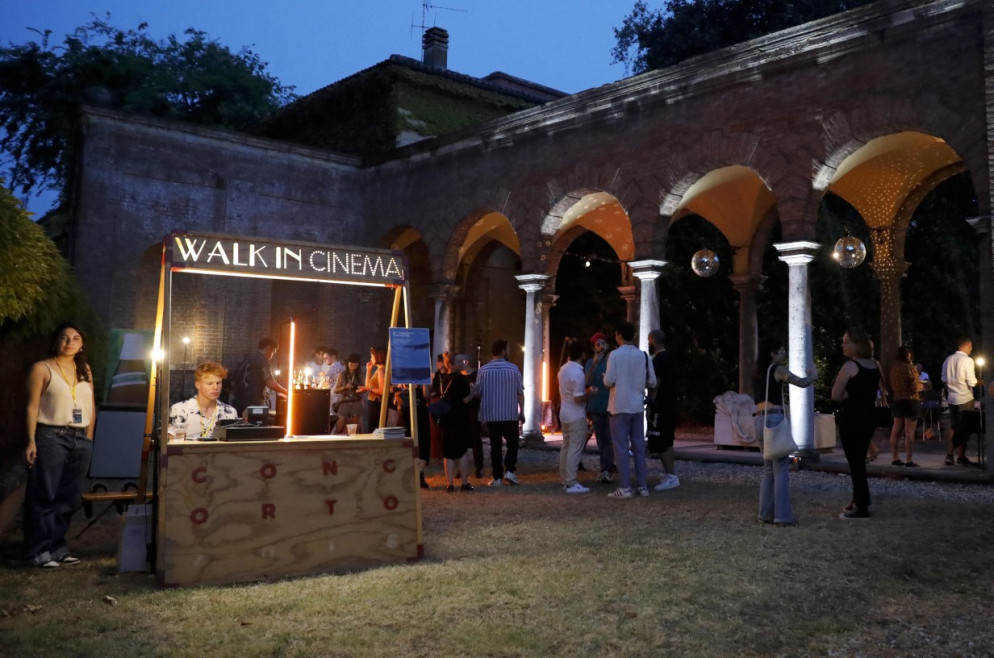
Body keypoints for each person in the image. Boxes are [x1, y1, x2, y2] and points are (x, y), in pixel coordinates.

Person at [24, 322, 97, 568]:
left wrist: (89, 436)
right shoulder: (42, 368)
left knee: (69, 497)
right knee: (44, 493)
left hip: (81, 438)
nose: (69, 342)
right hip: (51, 436)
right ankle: (39, 550)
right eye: (64, 338)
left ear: (81, 345)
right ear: (56, 341)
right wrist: (31, 440)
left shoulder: (85, 369)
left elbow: (90, 405)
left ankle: (57, 548)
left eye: (75, 338)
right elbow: (32, 406)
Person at [754, 337, 816, 527]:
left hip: (758, 420)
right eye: (780, 350)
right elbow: (801, 382)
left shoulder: (758, 372)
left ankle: (765, 514)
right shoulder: (777, 370)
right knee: (780, 469)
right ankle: (782, 516)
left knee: (768, 470)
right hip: (774, 419)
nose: (783, 354)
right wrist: (813, 375)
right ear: (772, 353)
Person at [602, 321, 656, 499]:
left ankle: (625, 487)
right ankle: (642, 485)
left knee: (621, 447)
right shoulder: (643, 356)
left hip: (619, 406)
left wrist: (605, 378)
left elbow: (609, 380)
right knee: (639, 446)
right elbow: (652, 382)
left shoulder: (615, 355)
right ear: (634, 336)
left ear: (618, 335)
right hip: (637, 406)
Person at [831, 328, 880, 520]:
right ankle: (858, 500)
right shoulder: (875, 365)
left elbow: (835, 395)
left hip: (852, 417)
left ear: (857, 345)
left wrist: (847, 395)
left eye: (846, 342)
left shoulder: (850, 367)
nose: (843, 346)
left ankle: (862, 506)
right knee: (859, 460)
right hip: (869, 417)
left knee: (855, 462)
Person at [474, 339, 524, 487]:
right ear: (503, 351)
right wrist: (522, 410)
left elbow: (478, 392)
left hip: (491, 414)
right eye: (508, 349)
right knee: (512, 444)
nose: (509, 352)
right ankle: (510, 470)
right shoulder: (513, 369)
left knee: (495, 446)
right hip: (509, 413)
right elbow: (520, 392)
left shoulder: (483, 370)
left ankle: (497, 477)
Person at [558, 339, 596, 494]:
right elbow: (578, 398)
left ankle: (565, 479)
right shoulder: (578, 373)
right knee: (575, 448)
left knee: (566, 447)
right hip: (576, 414)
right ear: (582, 354)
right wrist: (590, 394)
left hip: (564, 412)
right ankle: (571, 482)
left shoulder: (563, 369)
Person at [168, 362, 238, 440]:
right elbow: (170, 443)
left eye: (218, 383)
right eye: (210, 383)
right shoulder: (179, 410)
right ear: (198, 385)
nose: (215, 387)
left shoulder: (230, 412)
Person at [647, 329, 680, 492]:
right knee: (668, 441)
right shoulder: (671, 357)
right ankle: (670, 474)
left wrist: (650, 404)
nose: (648, 344)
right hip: (672, 404)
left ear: (653, 341)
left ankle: (671, 476)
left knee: (661, 443)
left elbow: (655, 384)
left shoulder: (659, 360)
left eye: (649, 341)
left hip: (661, 407)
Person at [941, 337, 982, 466]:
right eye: (971, 346)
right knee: (964, 428)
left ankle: (949, 455)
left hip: (952, 398)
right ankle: (961, 456)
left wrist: (951, 390)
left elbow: (944, 379)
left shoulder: (948, 359)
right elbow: (971, 381)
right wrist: (980, 382)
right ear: (967, 345)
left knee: (953, 426)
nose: (971, 349)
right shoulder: (968, 360)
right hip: (965, 398)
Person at [435, 360, 475, 492]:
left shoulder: (443, 379)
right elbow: (465, 400)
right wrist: (473, 392)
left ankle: (450, 484)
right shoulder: (461, 379)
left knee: (448, 453)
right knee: (462, 451)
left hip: (446, 419)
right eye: (459, 362)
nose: (462, 364)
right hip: (460, 419)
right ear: (453, 364)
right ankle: (464, 483)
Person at [585, 331, 615, 484]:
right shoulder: (591, 362)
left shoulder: (612, 361)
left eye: (603, 343)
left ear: (607, 345)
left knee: (609, 439)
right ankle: (605, 469)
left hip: (611, 405)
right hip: (596, 406)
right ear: (594, 348)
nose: (601, 347)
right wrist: (594, 365)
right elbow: (587, 381)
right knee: (601, 440)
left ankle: (607, 469)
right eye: (598, 345)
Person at [232, 338, 287, 415]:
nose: (272, 356)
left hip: (237, 402)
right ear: (268, 348)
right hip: (253, 403)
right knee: (255, 422)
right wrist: (286, 392)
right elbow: (271, 383)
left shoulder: (246, 358)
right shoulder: (262, 360)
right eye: (273, 352)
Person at [889, 346, 922, 467]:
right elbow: (914, 386)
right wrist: (921, 386)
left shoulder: (893, 369)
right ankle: (909, 459)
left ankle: (895, 457)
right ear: (908, 355)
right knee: (909, 432)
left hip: (897, 400)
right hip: (910, 400)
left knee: (896, 430)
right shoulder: (910, 368)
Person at [455, 353, 485, 478]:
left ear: (465, 362)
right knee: (461, 439)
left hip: (474, 410)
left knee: (476, 439)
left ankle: (479, 467)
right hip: (461, 411)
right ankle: (461, 467)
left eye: (458, 362)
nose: (456, 365)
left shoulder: (477, 375)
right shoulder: (457, 377)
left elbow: (482, 393)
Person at [333, 354, 364, 434]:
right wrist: (345, 387)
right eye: (351, 365)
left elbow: (364, 389)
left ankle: (351, 440)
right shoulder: (342, 374)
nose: (353, 367)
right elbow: (336, 390)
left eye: (355, 365)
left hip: (356, 401)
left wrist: (359, 389)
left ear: (358, 365)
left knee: (353, 428)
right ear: (347, 364)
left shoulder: (360, 375)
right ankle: (334, 439)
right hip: (344, 401)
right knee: (340, 425)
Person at [362, 346, 387, 432]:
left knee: (373, 428)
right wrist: (368, 371)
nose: (371, 359)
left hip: (376, 402)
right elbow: (367, 386)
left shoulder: (381, 371)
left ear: (378, 357)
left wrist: (369, 389)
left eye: (372, 356)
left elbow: (382, 391)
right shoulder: (378, 370)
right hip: (373, 401)